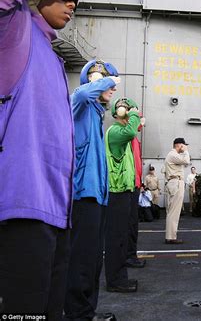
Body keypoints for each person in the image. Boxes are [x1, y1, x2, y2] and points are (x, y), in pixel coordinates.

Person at [0, 0, 84, 318]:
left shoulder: (50, 52)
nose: (72, 3)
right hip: (21, 211)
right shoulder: (14, 29)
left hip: (55, 214)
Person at [64, 60, 119, 321]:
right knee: (81, 260)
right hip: (83, 196)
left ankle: (87, 312)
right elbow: (83, 92)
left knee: (94, 259)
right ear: (95, 80)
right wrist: (105, 79)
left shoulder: (96, 114)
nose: (113, 88)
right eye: (107, 82)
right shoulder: (80, 103)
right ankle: (77, 314)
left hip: (97, 196)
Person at [104, 97, 141, 293]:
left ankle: (120, 278)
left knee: (120, 237)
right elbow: (131, 131)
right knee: (116, 238)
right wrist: (133, 112)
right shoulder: (117, 132)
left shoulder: (120, 134)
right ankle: (115, 281)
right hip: (116, 192)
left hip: (123, 191)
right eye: (129, 113)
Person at [126, 116, 147, 269]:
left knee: (133, 224)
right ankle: (128, 256)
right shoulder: (126, 138)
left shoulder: (133, 140)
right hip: (129, 187)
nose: (142, 123)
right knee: (128, 225)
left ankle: (131, 255)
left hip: (135, 186)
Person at [164, 137, 191, 244]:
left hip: (174, 183)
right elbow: (186, 161)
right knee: (174, 211)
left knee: (173, 211)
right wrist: (186, 151)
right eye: (183, 145)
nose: (184, 147)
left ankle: (170, 235)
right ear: (179, 145)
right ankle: (171, 237)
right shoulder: (173, 154)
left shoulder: (173, 155)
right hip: (176, 183)